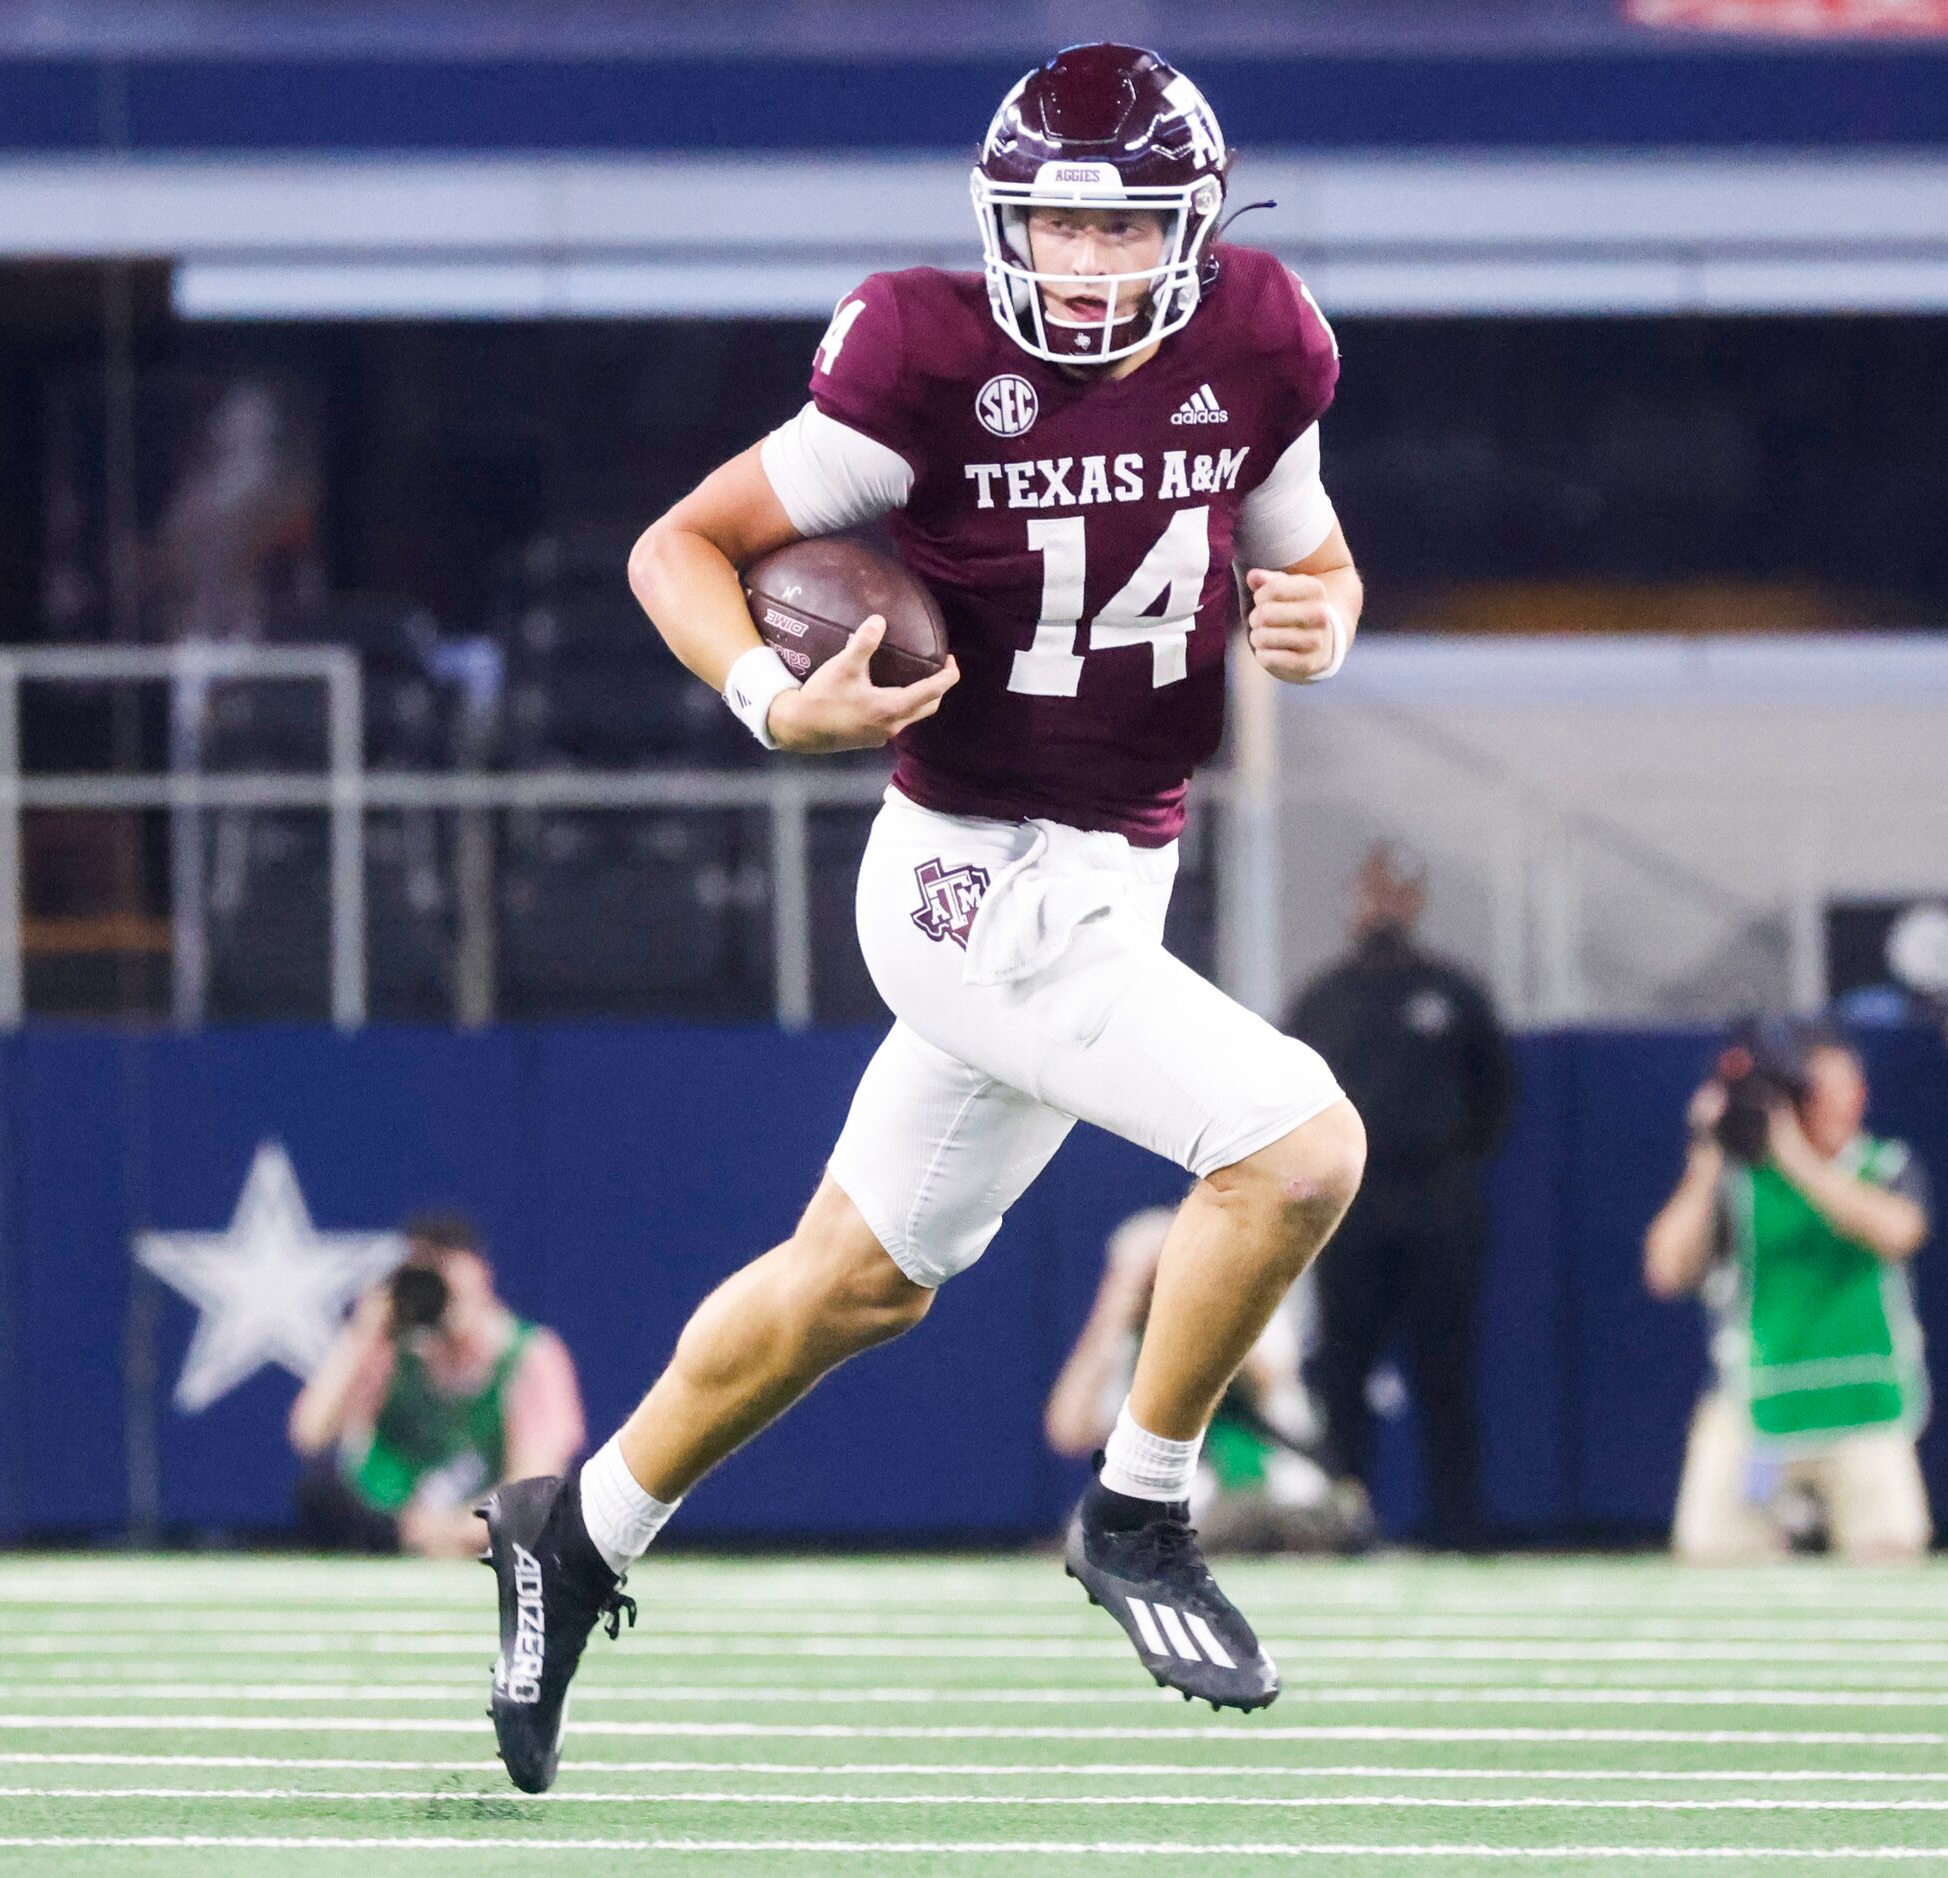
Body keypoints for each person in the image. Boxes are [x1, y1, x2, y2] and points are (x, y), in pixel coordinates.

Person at [473, 43, 1369, 1791]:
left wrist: (1320, 622)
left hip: (1118, 866)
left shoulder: (1264, 337)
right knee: (1299, 1148)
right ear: (996, 223)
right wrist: (757, 690)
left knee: (858, 1282)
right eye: (1049, 230)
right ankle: (1139, 1507)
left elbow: (1313, 557)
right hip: (967, 875)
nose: (1082, 268)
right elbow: (681, 546)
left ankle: (573, 1527)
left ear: (1195, 233)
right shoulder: (918, 350)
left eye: (1122, 238)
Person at [1287, 843, 1516, 1548]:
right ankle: (1345, 1521)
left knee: (1444, 1366)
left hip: (1437, 1204)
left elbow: (1495, 1096)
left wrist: (1449, 1162)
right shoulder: (1322, 998)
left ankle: (1458, 1524)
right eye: (1375, 888)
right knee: (1343, 1368)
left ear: (1415, 900)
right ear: (1358, 895)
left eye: (1399, 890)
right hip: (1349, 1209)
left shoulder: (1451, 993)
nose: (1385, 902)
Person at [1642, 1023, 1932, 1565]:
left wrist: (1796, 1158)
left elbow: (1897, 1233)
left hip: (1860, 1405)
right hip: (1760, 1405)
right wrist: (1709, 1156)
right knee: (1713, 1552)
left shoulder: (1883, 1164)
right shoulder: (1741, 1181)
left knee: (1891, 1551)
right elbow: (1667, 1269)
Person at [1045, 1207, 1368, 1554]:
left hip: (1270, 1482)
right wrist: (1114, 1309)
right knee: (1115, 1523)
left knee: (1260, 1514)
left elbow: (1268, 1382)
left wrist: (1199, 1291)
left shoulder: (1250, 1313)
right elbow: (1068, 1431)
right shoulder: (1126, 1346)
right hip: (1187, 1496)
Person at [288, 1211, 584, 1559]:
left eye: (449, 1270)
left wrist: (454, 1530)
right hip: (392, 1528)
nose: (441, 1289)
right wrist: (363, 1332)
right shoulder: (391, 1350)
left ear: (482, 1274)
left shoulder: (530, 1355)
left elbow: (536, 1482)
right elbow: (310, 1434)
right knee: (319, 1492)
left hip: (489, 1534)